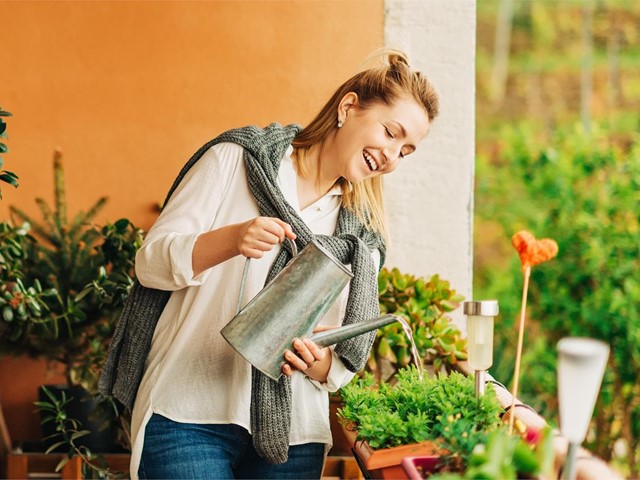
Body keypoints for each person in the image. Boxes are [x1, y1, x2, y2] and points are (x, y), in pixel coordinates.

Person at [99, 49, 439, 479]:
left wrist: (315, 361)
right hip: (187, 413)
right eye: (391, 133)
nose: (391, 156)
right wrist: (231, 240)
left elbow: (334, 361)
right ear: (349, 107)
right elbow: (150, 263)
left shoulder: (361, 238)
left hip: (292, 435)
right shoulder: (237, 160)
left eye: (405, 152)